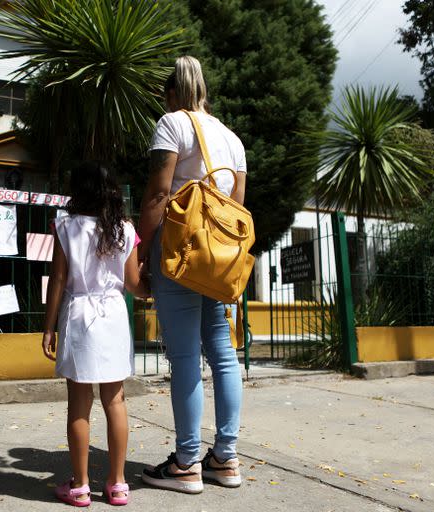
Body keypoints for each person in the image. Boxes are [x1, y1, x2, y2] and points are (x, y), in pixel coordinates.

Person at [137, 56, 247, 494]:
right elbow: (235, 207)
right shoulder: (233, 140)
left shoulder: (170, 124)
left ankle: (185, 462)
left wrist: (143, 250)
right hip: (218, 262)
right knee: (223, 355)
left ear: (172, 93)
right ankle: (226, 457)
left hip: (180, 255)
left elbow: (159, 192)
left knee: (184, 358)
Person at [42, 161, 149, 507]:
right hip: (114, 317)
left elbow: (58, 280)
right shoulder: (125, 230)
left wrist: (47, 327)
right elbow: (133, 284)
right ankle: (117, 484)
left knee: (79, 403)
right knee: (115, 400)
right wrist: (157, 286)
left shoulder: (66, 227)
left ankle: (80, 485)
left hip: (79, 317)